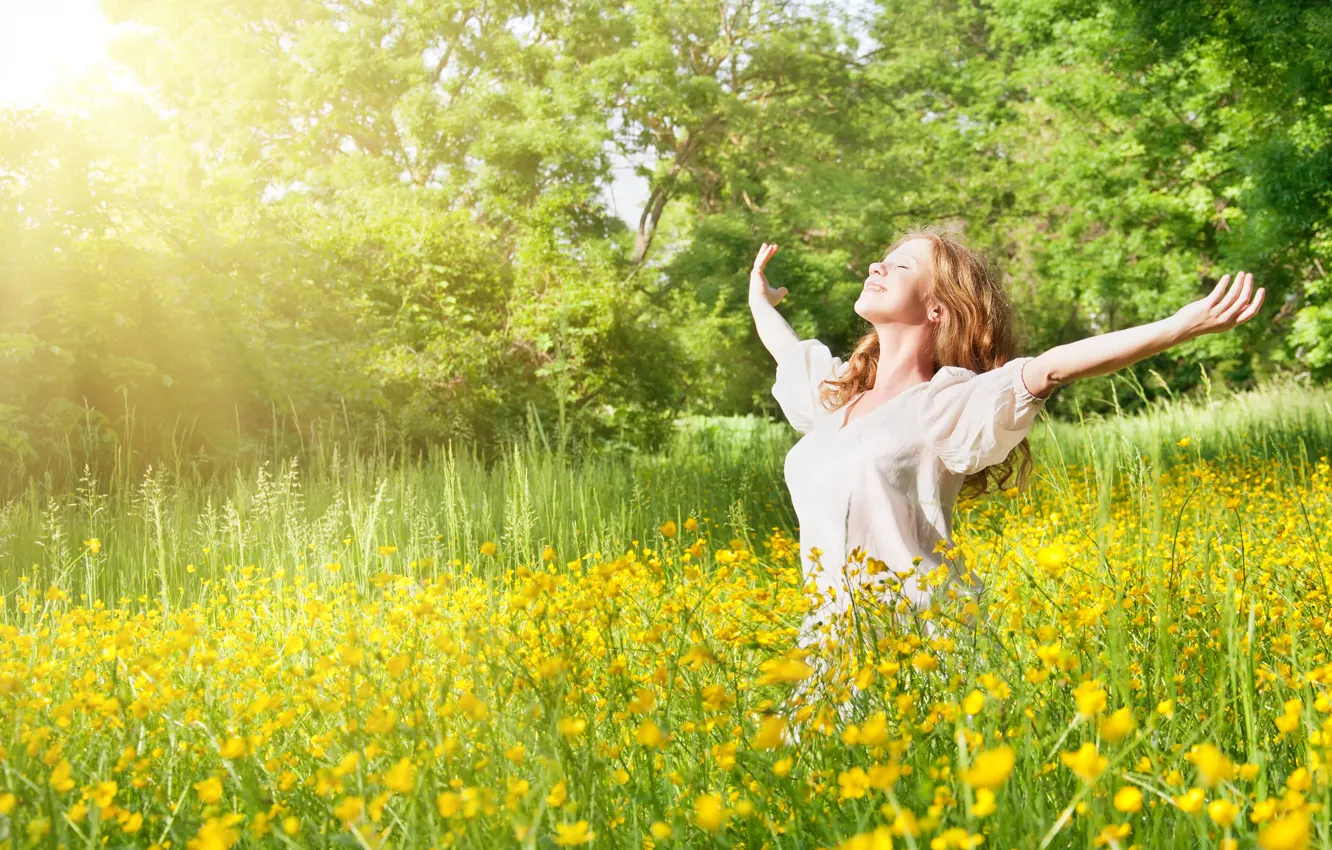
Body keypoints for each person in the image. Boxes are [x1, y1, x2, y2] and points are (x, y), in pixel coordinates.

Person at [750, 225, 1265, 656]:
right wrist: (759, 298)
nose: (876, 269)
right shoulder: (836, 402)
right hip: (831, 644)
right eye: (880, 263)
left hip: (920, 644)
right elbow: (788, 352)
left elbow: (1050, 368)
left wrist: (1177, 327)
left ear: (938, 309)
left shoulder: (945, 404)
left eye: (902, 266)